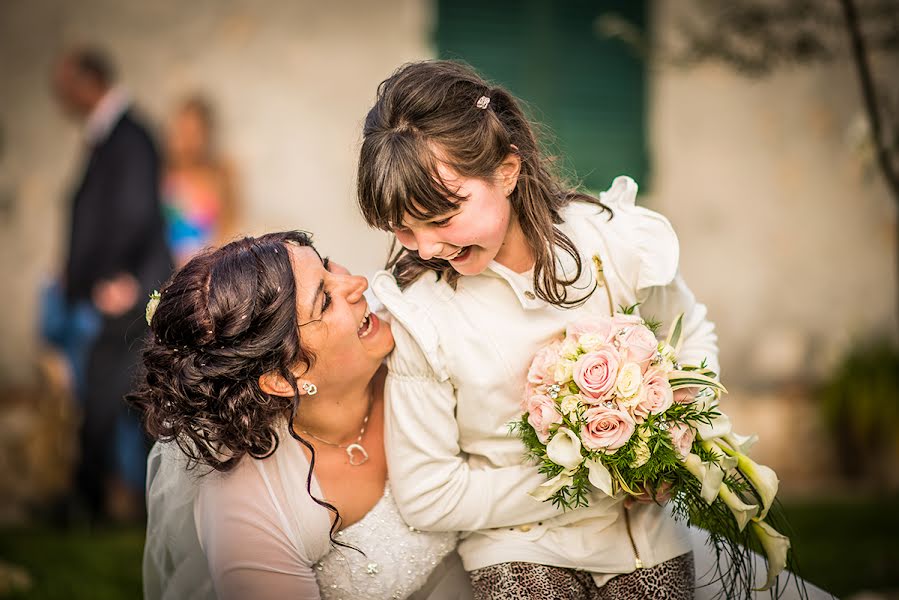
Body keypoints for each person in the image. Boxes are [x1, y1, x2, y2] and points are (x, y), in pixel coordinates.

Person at [356, 61, 830, 599]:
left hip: (644, 537)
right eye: (402, 227)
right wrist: (598, 477)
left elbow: (691, 331)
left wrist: (675, 443)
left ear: (507, 172)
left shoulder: (610, 241)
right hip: (516, 543)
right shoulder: (421, 314)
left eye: (442, 218)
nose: (426, 247)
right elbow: (429, 496)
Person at [131, 232, 472, 600]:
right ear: (282, 378)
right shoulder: (247, 508)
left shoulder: (418, 329)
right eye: (325, 300)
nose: (359, 284)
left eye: (326, 265)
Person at [51, 46, 173, 522]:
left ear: (90, 81)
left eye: (66, 86)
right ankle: (120, 504)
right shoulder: (112, 135)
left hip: (125, 290)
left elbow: (134, 212)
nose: (60, 96)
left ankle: (93, 502)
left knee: (125, 398)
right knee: (129, 399)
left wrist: (111, 277)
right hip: (117, 287)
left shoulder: (130, 136)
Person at [162, 95, 240, 267]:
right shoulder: (164, 172)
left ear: (206, 133)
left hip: (206, 271)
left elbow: (230, 226)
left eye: (194, 132)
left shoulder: (221, 174)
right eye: (183, 130)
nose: (187, 139)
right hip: (163, 270)